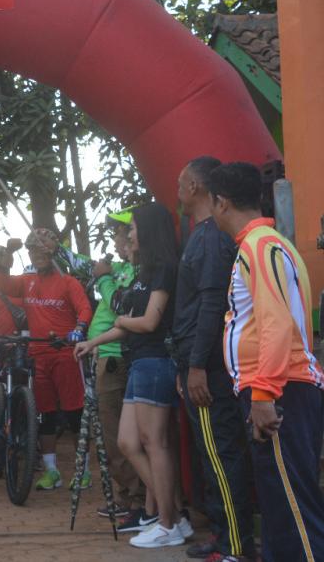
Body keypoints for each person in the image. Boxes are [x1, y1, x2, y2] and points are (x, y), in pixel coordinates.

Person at [209, 162, 324, 562]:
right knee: (280, 509)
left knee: (295, 515)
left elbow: (275, 323)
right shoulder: (268, 243)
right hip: (283, 389)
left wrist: (263, 393)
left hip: (280, 392)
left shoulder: (259, 246)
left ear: (221, 203)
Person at [74, 203, 186, 548]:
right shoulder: (143, 274)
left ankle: (169, 522)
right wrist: (94, 341)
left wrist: (121, 321)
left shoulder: (165, 268)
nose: (129, 234)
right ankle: (173, 516)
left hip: (156, 363)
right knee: (127, 442)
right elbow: (126, 326)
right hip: (139, 362)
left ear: (149, 230)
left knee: (155, 443)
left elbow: (149, 322)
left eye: (134, 227)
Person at [172, 157, 255, 561]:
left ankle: (235, 546)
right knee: (214, 454)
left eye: (181, 183)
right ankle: (226, 537)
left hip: (209, 369)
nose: (177, 191)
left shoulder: (209, 239)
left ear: (197, 188)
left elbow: (210, 306)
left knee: (221, 456)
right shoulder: (203, 236)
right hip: (200, 363)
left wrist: (197, 366)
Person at [0, 228, 93, 491]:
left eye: (42, 249)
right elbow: (3, 283)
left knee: (75, 414)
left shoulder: (68, 281)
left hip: (65, 353)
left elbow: (84, 308)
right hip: (38, 355)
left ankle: (83, 469)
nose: (37, 254)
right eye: (32, 250)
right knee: (45, 415)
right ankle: (51, 471)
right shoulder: (27, 280)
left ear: (53, 252)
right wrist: (7, 255)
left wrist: (78, 329)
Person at [86, 210, 146, 520]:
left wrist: (104, 278)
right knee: (114, 436)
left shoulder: (134, 271)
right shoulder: (123, 268)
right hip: (107, 356)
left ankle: (136, 502)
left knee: (117, 436)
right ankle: (129, 499)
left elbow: (120, 305)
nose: (118, 240)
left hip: (116, 359)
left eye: (122, 232)